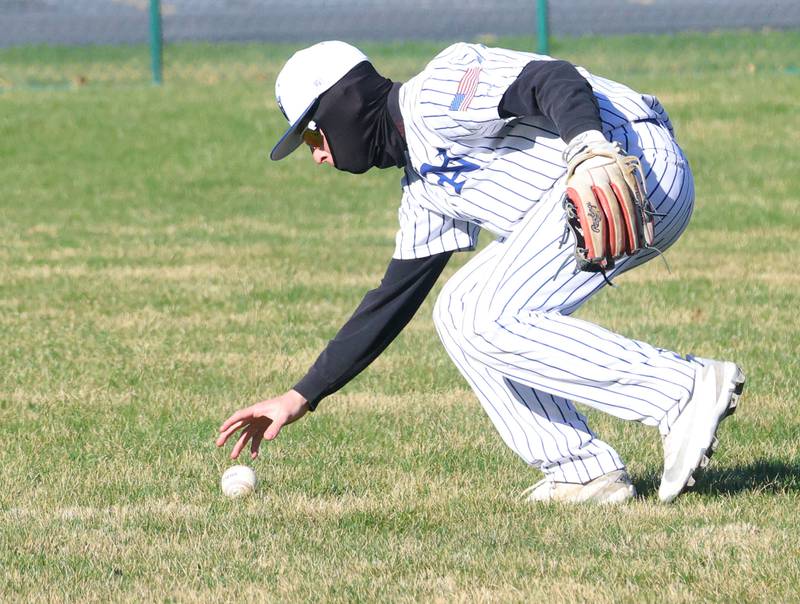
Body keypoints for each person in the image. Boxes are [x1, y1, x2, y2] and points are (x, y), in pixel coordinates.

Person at [215, 40, 745, 503]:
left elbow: (552, 78)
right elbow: (391, 301)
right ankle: (581, 470)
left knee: (482, 310)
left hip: (629, 161)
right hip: (604, 194)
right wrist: (298, 395)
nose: (318, 157)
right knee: (458, 309)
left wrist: (587, 148)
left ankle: (681, 390)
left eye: (312, 137)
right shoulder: (423, 189)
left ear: (341, 104)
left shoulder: (437, 90)